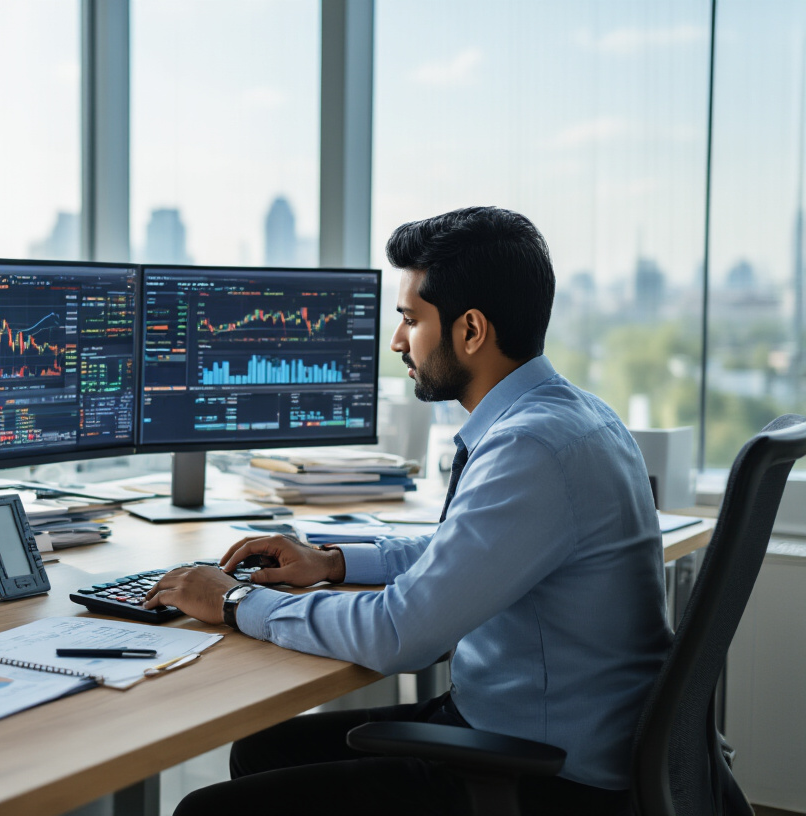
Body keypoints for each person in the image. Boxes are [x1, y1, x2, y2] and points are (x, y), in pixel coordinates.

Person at [145, 206, 671, 816]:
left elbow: (400, 636)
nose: (397, 341)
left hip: (546, 776)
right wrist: (333, 563)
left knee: (205, 811)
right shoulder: (573, 416)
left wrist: (235, 601)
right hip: (535, 731)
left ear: (470, 330)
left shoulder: (530, 449)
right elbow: (468, 552)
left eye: (410, 319)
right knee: (265, 749)